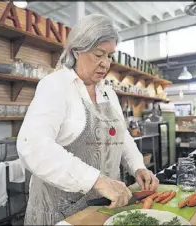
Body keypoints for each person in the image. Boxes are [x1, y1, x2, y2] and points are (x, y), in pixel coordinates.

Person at [16, 14, 159, 225]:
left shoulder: (108, 93)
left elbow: (121, 135)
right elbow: (32, 146)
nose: (105, 64)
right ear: (76, 51)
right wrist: (97, 180)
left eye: (110, 56)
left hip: (105, 206)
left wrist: (138, 166)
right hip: (60, 213)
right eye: (98, 54)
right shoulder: (56, 85)